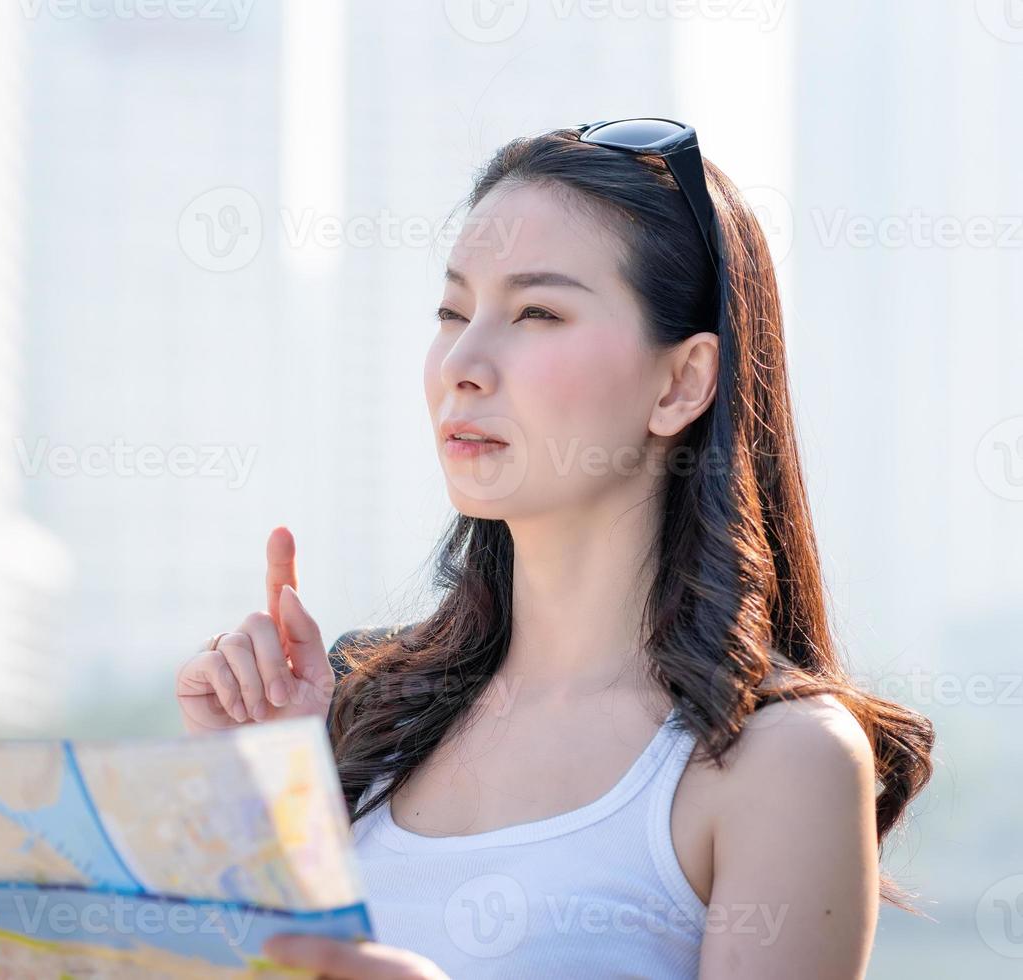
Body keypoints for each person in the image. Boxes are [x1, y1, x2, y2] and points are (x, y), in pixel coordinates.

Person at [174, 120, 934, 979]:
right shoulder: (366, 726)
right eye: (452, 311)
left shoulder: (776, 758)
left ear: (680, 382)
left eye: (537, 312)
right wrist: (270, 784)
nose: (462, 362)